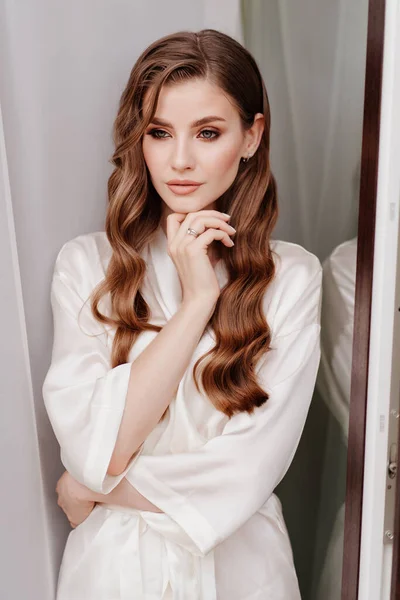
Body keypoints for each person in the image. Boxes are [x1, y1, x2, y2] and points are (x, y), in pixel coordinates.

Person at [42, 28, 323, 600]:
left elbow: (247, 470)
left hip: (242, 573)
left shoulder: (292, 278)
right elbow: (99, 449)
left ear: (252, 136)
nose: (180, 161)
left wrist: (93, 490)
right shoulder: (87, 266)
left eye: (209, 132)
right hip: (113, 573)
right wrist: (197, 304)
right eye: (159, 133)